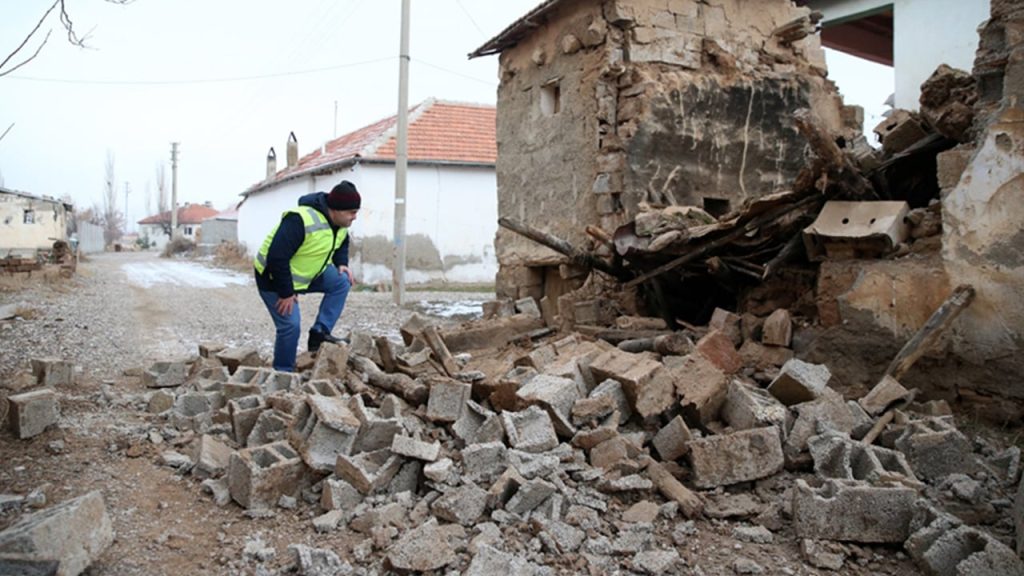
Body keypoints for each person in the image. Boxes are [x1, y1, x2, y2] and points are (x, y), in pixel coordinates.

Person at [254, 180, 360, 371]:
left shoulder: (340, 223)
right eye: (352, 213)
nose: (355, 217)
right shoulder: (299, 220)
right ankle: (283, 371)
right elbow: (276, 257)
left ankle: (320, 333)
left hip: (310, 273)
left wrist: (342, 263)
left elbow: (342, 242)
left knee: (341, 281)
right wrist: (286, 292)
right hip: (273, 277)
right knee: (291, 326)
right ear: (334, 209)